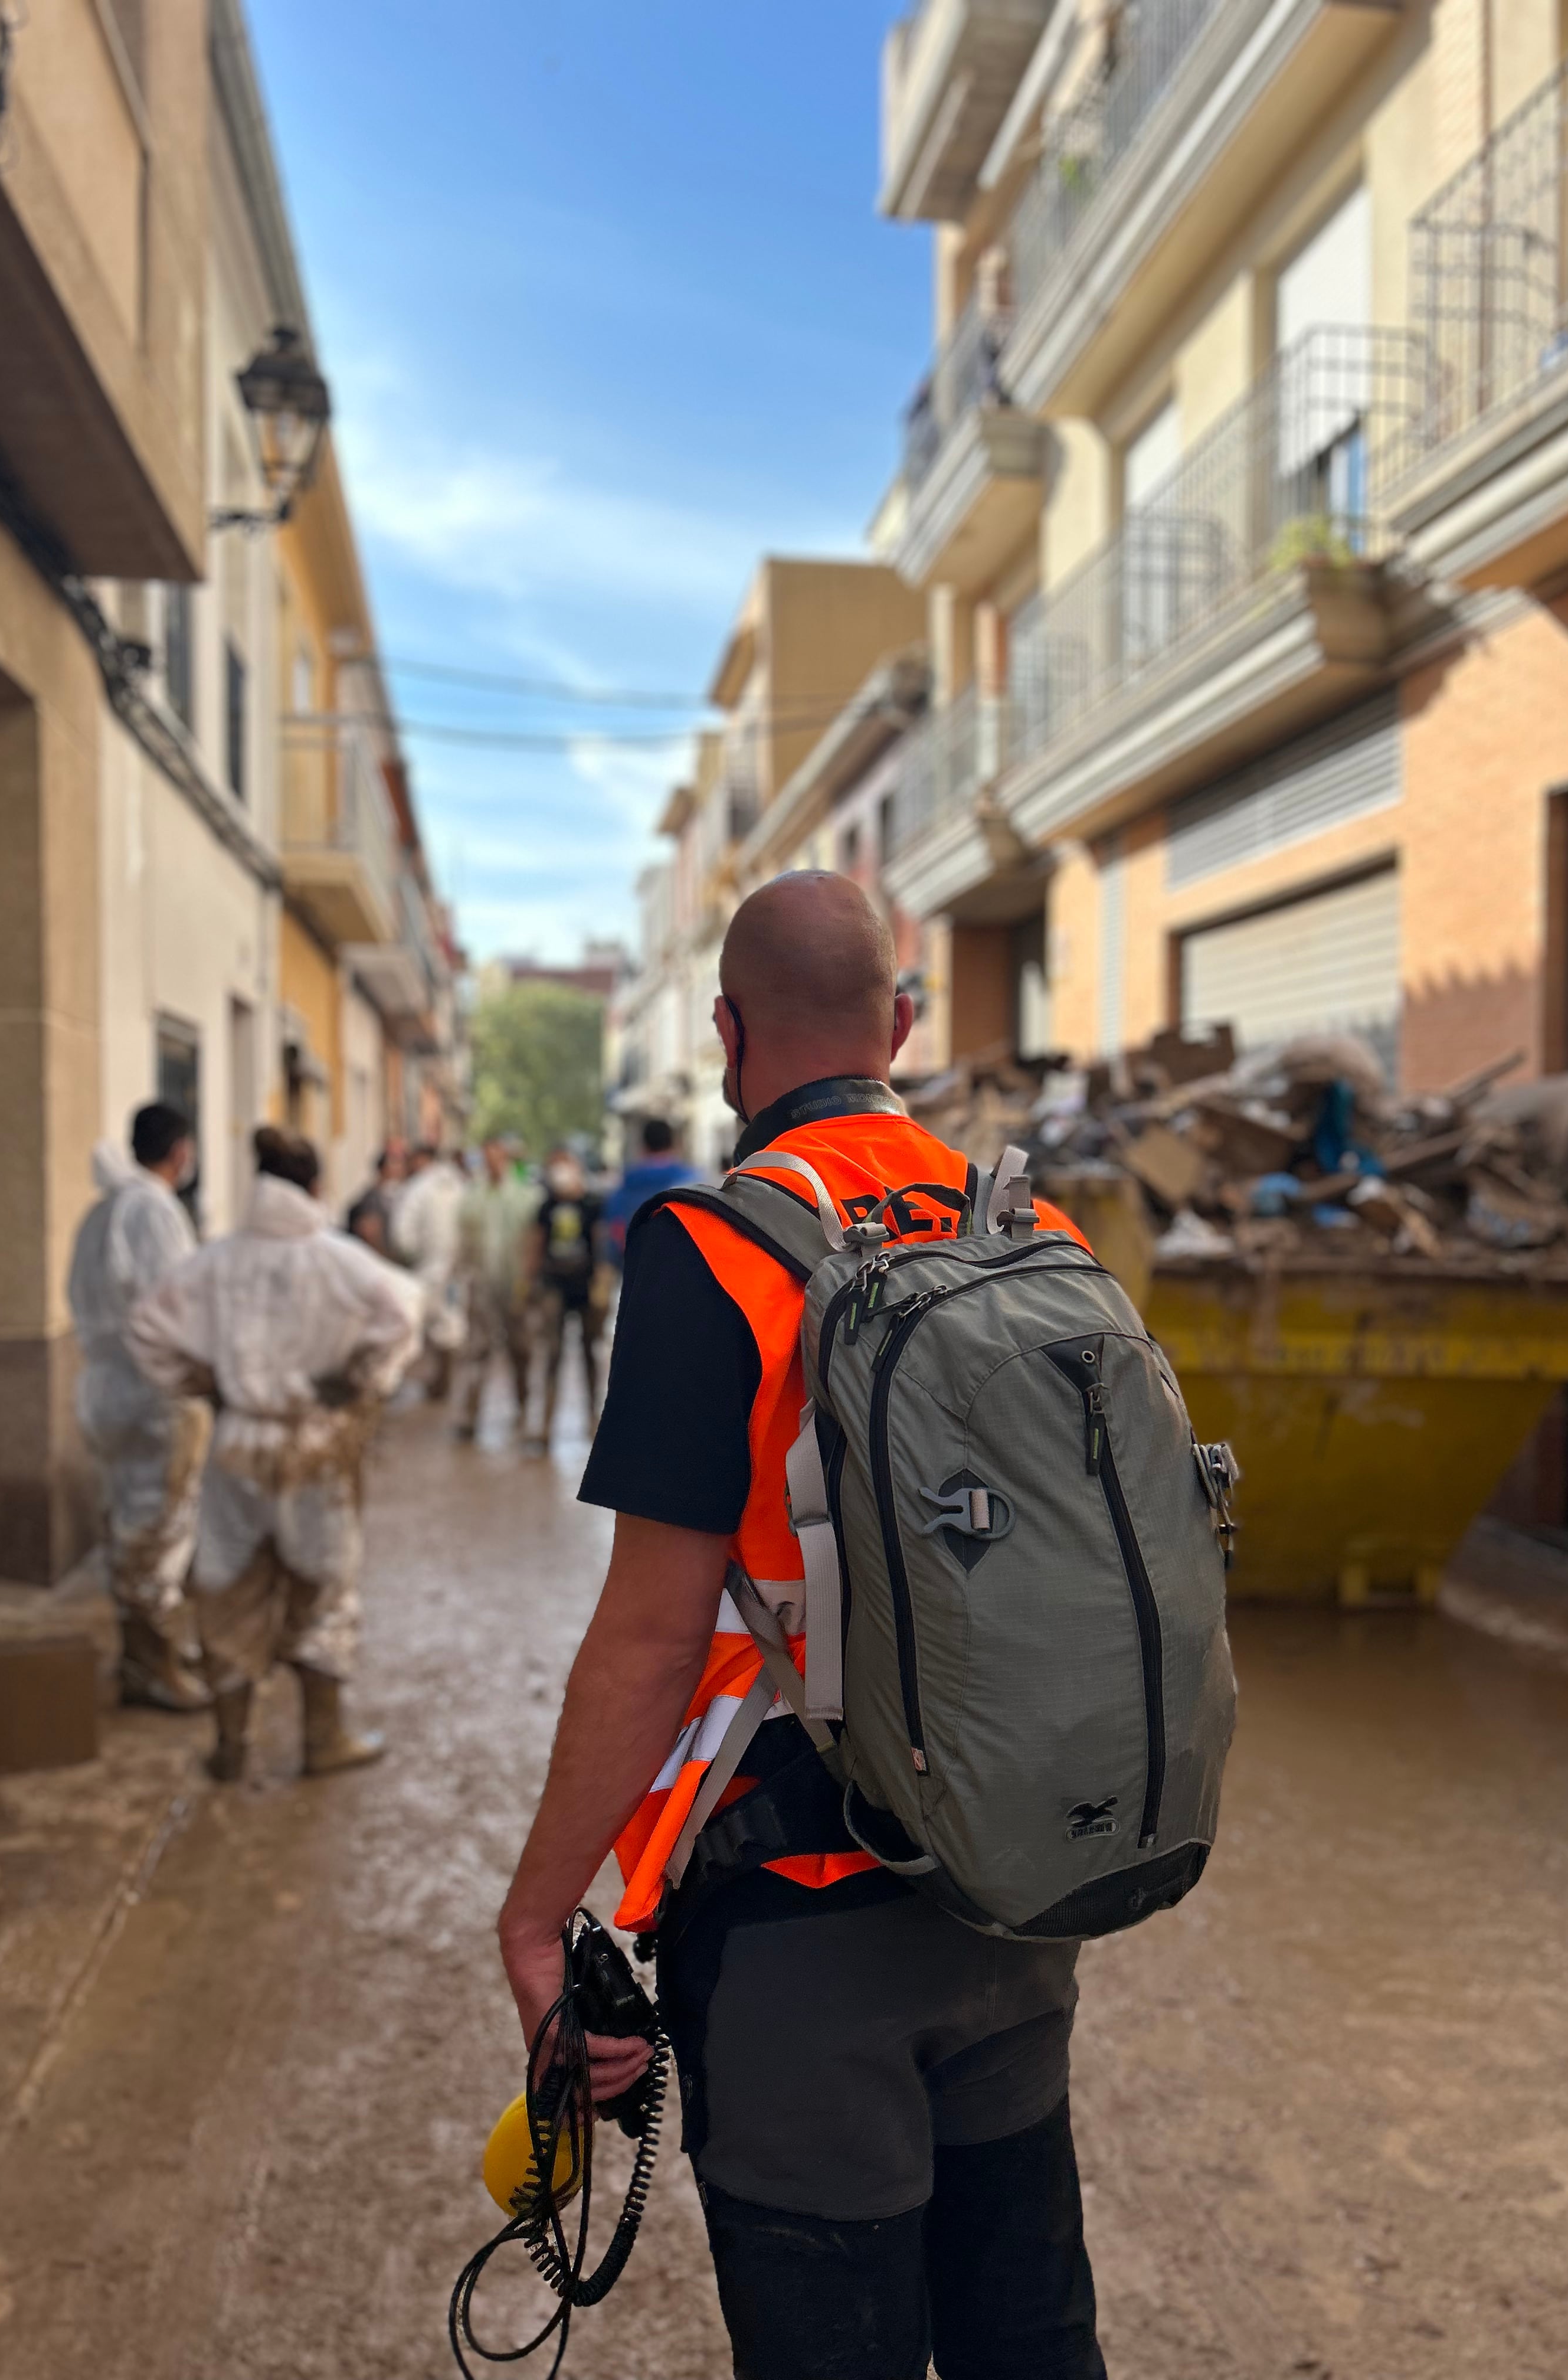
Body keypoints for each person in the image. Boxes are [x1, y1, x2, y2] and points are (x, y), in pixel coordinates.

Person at [499, 873, 1105, 2380]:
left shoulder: (714, 1254)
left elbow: (648, 1642)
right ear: (901, 1024)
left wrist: (537, 1913)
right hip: (1012, 1884)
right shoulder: (1036, 1227)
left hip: (799, 1915)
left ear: (724, 1031)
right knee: (1030, 2337)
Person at [126, 1127, 422, 1784]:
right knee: (323, 1589)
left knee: (228, 1590)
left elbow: (146, 1326)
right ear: (315, 1186)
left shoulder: (217, 1259)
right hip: (314, 1444)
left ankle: (231, 1748)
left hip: (237, 1442)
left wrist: (200, 1383)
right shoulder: (338, 1259)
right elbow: (405, 1310)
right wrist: (359, 1380)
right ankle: (323, 1739)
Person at [66, 1103, 211, 1711]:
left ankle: (142, 1655)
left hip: (105, 1389)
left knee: (126, 1519)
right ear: (180, 1151)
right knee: (160, 1527)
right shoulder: (154, 1211)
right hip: (152, 1394)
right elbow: (173, 1307)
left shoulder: (100, 1213)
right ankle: (155, 1666)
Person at [456, 1135, 537, 1444]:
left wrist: (529, 1284)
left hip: (515, 1286)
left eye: (497, 1156)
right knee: (477, 1350)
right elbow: (463, 1240)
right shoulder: (473, 1197)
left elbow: (532, 1240)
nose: (491, 1162)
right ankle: (470, 1416)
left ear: (506, 1160)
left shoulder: (524, 1197)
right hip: (482, 1286)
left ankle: (523, 1407)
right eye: (487, 1156)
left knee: (521, 1350)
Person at [525, 1148, 607, 1455]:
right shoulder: (546, 1206)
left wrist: (602, 1281)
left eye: (565, 1166)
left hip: (585, 1288)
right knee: (552, 1355)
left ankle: (593, 1419)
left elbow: (600, 1242)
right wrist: (528, 1283)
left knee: (590, 1354)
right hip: (554, 1287)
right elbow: (536, 1243)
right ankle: (545, 1424)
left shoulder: (591, 1204)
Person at [392, 1142, 469, 1399]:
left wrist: (410, 1259)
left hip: (426, 1270)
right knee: (449, 1321)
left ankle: (420, 1381)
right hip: (456, 1269)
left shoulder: (417, 1190)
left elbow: (402, 1234)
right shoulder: (460, 1186)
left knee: (416, 1322)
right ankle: (442, 1380)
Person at [601, 1116, 695, 1273]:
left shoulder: (625, 1186)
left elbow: (612, 1235)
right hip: (681, 1272)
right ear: (674, 1144)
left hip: (634, 1273)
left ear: (643, 1146)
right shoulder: (693, 1182)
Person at [345, 1140, 407, 1254]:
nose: (400, 1168)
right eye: (395, 1163)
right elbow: (370, 1231)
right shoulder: (372, 1199)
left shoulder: (396, 1195)